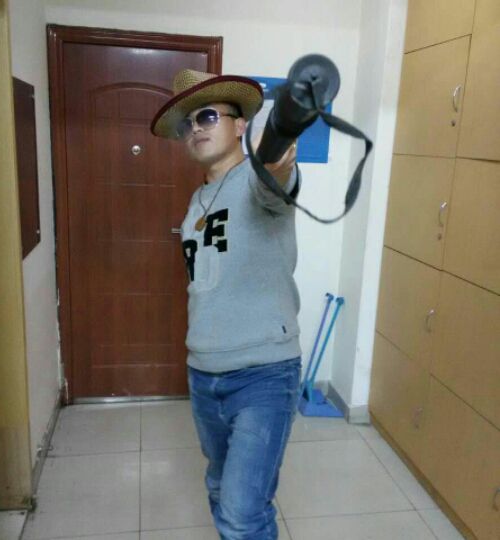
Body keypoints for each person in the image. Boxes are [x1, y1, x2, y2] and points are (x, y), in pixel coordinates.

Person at [151, 69, 302, 540]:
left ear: (240, 126)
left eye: (209, 116)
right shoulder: (198, 200)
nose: (196, 127)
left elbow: (277, 175)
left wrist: (276, 153)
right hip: (204, 373)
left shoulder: (257, 181)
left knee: (241, 512)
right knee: (220, 488)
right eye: (189, 122)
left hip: (264, 373)